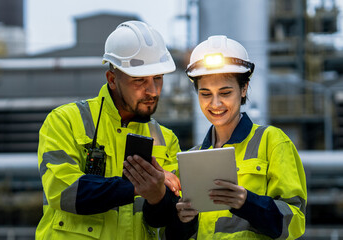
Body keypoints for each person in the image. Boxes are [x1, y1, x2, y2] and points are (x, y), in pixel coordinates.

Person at [126, 35, 307, 239]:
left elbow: (295, 222)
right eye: (205, 94)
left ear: (244, 88)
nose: (215, 103)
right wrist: (184, 221)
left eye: (225, 92)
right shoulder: (190, 158)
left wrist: (246, 203)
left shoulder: (271, 142)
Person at [35, 20, 183, 240]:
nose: (152, 91)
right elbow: (64, 192)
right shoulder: (65, 121)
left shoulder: (166, 139)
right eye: (139, 80)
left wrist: (158, 196)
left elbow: (166, 219)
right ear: (112, 79)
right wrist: (136, 187)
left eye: (158, 79)